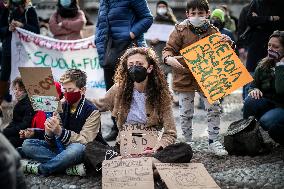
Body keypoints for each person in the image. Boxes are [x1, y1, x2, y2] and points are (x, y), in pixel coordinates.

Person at [88, 47, 192, 170]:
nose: (134, 67)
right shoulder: (118, 89)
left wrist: (158, 147)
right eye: (130, 64)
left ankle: (130, 165)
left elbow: (170, 132)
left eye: (139, 64)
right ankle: (140, 166)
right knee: (90, 148)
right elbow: (98, 105)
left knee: (185, 149)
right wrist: (71, 100)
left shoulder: (162, 95)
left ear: (149, 68)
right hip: (123, 148)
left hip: (151, 150)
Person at [162, 0, 235, 156]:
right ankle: (187, 142)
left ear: (207, 14)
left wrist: (229, 44)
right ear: (187, 14)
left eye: (200, 13)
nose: (196, 16)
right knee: (185, 112)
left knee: (214, 107)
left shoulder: (213, 30)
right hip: (184, 77)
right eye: (193, 13)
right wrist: (169, 59)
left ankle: (213, 141)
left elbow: (224, 52)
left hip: (208, 77)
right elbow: (168, 50)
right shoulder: (179, 30)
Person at [21, 69, 106, 176]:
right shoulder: (60, 105)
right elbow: (53, 142)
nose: (66, 93)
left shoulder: (92, 111)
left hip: (82, 151)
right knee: (27, 144)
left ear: (82, 90)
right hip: (62, 149)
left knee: (77, 148)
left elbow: (86, 141)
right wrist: (49, 132)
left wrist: (60, 132)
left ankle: (43, 169)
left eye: (70, 89)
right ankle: (66, 167)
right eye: (64, 90)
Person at [95, 0, 153, 141]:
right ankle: (117, 127)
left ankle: (139, 128)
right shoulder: (104, 2)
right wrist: (99, 42)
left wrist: (131, 34)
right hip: (110, 52)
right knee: (112, 92)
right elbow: (101, 26)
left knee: (131, 91)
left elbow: (147, 18)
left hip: (129, 51)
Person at [243, 30, 284, 145]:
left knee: (266, 121)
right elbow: (252, 85)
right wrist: (253, 90)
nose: (270, 49)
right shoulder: (263, 64)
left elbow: (281, 90)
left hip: (281, 105)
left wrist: (280, 66)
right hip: (268, 102)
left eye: (276, 47)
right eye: (269, 45)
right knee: (250, 101)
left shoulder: (281, 66)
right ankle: (247, 136)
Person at [242, 0, 284, 100]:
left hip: (277, 46)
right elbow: (250, 20)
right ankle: (247, 103)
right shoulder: (256, 2)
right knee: (250, 76)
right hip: (256, 46)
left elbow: (280, 23)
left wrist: (259, 19)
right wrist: (270, 18)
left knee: (275, 74)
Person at [0, 0, 40, 104]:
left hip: (26, 51)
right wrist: (8, 29)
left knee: (28, 76)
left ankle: (33, 104)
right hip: (8, 50)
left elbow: (36, 31)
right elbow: (1, 30)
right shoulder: (6, 9)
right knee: (4, 76)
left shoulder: (29, 10)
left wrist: (22, 26)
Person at [3, 77, 35, 148]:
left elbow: (25, 125)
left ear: (26, 91)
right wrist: (5, 130)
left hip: (22, 135)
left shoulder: (29, 104)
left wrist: (7, 131)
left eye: (20, 90)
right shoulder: (20, 102)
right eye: (15, 89)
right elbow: (14, 121)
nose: (16, 92)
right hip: (15, 131)